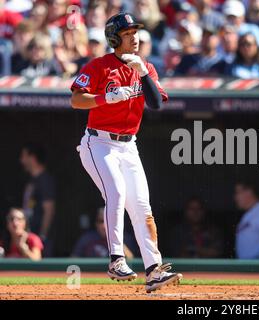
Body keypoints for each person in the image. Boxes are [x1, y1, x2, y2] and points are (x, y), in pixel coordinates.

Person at [70, 12, 182, 293]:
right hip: (99, 143)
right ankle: (116, 259)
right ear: (114, 38)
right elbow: (75, 99)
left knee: (142, 207)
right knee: (117, 193)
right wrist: (104, 98)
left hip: (128, 145)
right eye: (128, 33)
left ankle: (153, 270)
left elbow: (156, 104)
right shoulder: (99, 66)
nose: (135, 38)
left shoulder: (146, 67)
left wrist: (143, 72)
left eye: (136, 33)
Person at [20, 143, 56, 257]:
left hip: (41, 239)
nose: (21, 160)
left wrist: (42, 236)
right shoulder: (32, 180)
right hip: (31, 234)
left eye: (24, 156)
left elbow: (49, 209)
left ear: (33, 157)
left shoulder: (45, 180)